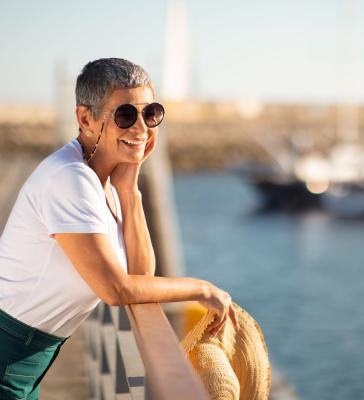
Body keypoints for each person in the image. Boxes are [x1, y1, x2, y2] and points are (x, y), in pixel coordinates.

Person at [0, 57, 237, 400]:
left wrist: (129, 190)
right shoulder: (70, 179)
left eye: (150, 113)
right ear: (86, 118)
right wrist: (201, 289)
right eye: (126, 115)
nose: (141, 128)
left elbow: (141, 274)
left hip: (28, 359)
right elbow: (116, 289)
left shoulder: (103, 183)